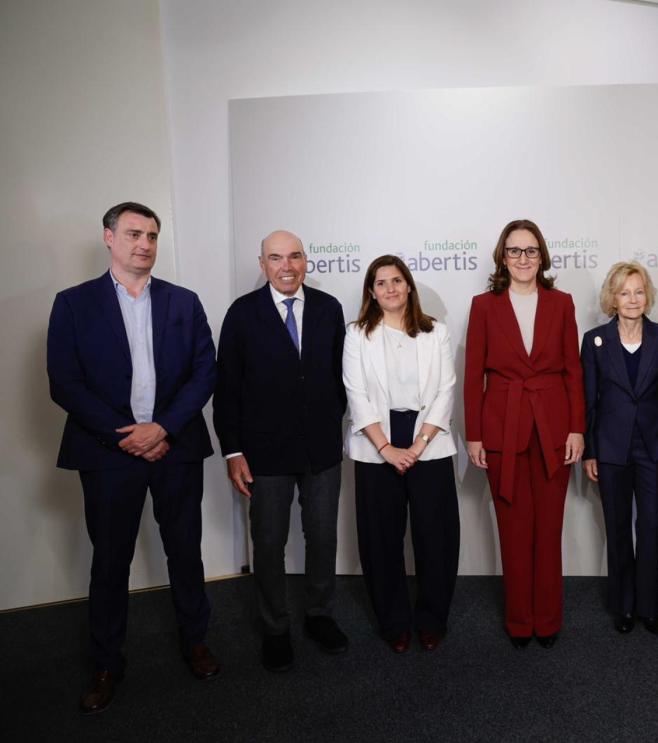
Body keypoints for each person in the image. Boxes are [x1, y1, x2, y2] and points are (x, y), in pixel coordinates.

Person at [47, 201, 220, 714]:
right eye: (133, 234)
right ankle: (106, 664)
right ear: (109, 238)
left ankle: (196, 641)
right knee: (110, 560)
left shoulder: (183, 302)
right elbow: (65, 382)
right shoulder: (73, 304)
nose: (144, 244)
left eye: (151, 236)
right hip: (109, 453)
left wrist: (163, 427)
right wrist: (125, 436)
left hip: (175, 447)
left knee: (185, 551)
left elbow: (205, 372)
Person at [213, 229, 349, 672]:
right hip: (264, 453)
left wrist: (329, 419)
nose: (286, 266)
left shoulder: (329, 308)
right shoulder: (242, 313)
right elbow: (227, 387)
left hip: (321, 450)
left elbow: (341, 377)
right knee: (269, 543)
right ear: (262, 264)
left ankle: (319, 615)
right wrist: (233, 451)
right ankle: (275, 628)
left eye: (294, 256)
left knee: (323, 537)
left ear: (306, 260)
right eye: (276, 258)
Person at [464, 219, 585, 648]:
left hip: (554, 429)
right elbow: (473, 374)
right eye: (514, 250)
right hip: (502, 427)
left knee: (548, 530)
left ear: (542, 256)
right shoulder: (483, 306)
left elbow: (573, 371)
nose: (523, 258)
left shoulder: (562, 303)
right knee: (513, 531)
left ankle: (547, 620)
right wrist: (474, 435)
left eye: (531, 250)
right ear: (503, 256)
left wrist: (577, 428)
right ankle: (519, 621)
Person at [342, 255, 460, 653]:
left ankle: (432, 620)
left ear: (408, 286)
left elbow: (445, 390)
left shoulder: (435, 332)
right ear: (372, 292)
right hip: (376, 442)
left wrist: (418, 445)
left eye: (396, 280)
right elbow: (356, 394)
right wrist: (386, 448)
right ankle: (393, 623)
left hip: (429, 438)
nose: (390, 288)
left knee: (436, 537)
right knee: (381, 540)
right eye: (381, 283)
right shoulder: (357, 334)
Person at [581, 262, 658, 635]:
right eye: (624, 292)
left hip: (653, 447)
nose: (632, 299)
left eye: (638, 291)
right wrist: (590, 451)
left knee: (650, 526)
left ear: (647, 296)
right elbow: (588, 400)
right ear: (612, 298)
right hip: (610, 448)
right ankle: (623, 605)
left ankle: (648, 607)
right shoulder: (595, 340)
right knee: (617, 527)